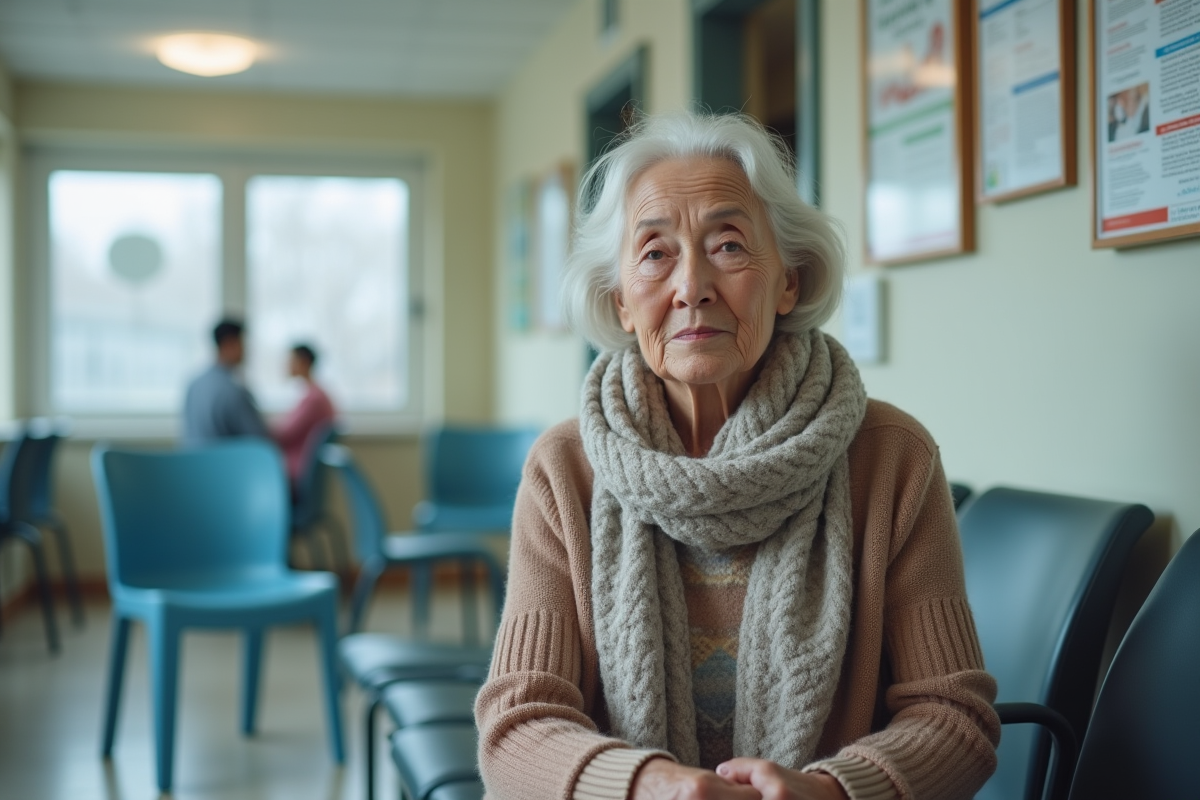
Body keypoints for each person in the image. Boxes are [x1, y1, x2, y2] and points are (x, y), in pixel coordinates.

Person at [475, 112, 999, 800]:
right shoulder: (564, 469)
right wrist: (648, 788)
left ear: (789, 281)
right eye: (655, 253)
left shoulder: (892, 459)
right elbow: (516, 724)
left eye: (727, 245)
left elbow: (955, 717)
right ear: (621, 302)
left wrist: (834, 792)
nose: (691, 285)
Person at [182, 318, 269, 446]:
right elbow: (259, 441)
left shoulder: (193, 384)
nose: (246, 351)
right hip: (225, 465)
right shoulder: (234, 390)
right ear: (229, 344)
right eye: (242, 343)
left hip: (192, 464)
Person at [271, 343, 337, 487]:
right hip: (300, 467)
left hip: (297, 470)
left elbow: (284, 434)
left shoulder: (314, 399)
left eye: (290, 360)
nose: (287, 365)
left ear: (303, 362)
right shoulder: (315, 395)